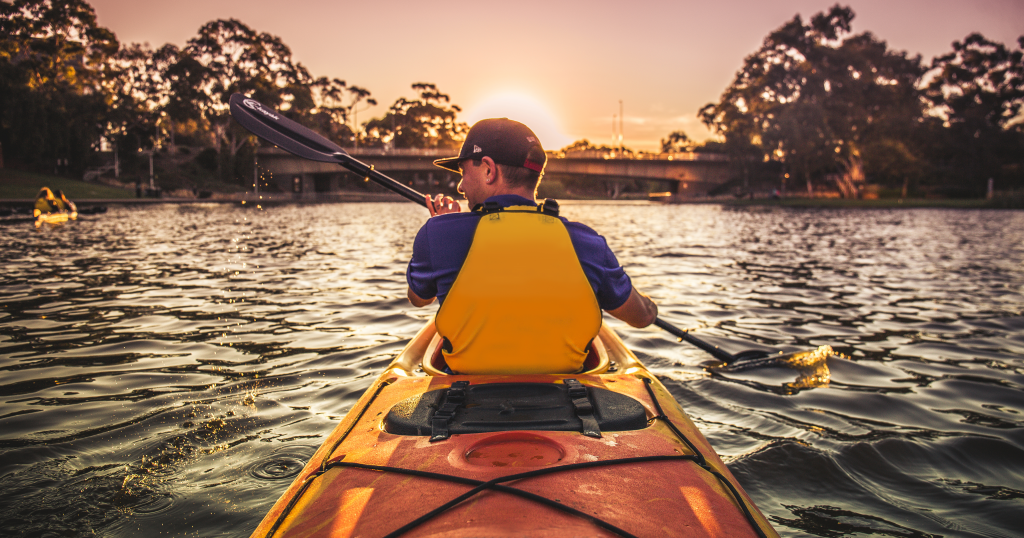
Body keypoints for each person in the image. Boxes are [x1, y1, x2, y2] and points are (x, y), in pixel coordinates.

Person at [406, 118, 657, 375]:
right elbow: (642, 317)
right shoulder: (589, 242)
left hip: (464, 402)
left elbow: (419, 298)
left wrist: (441, 227)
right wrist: (651, 307)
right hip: (569, 403)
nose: (460, 186)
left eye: (463, 173)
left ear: (489, 170)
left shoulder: (437, 235)